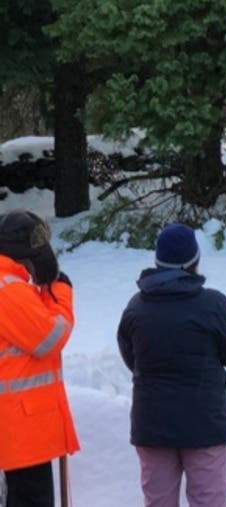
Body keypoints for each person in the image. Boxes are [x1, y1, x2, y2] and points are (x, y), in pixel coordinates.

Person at [117, 223, 226, 507]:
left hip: (151, 424)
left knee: (158, 502)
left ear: (157, 261)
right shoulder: (213, 305)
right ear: (195, 261)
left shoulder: (136, 308)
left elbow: (132, 359)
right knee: (207, 502)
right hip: (203, 424)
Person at [0, 210, 80, 507]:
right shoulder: (9, 289)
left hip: (19, 431)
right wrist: (59, 291)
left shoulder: (12, 285)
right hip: (20, 432)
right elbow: (50, 337)